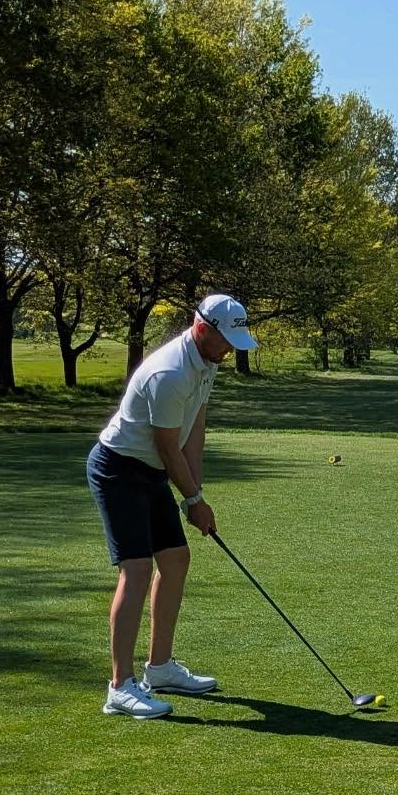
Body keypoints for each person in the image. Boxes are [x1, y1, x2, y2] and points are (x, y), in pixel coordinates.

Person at [85, 294, 258, 719]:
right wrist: (192, 500)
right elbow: (165, 445)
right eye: (225, 339)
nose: (230, 349)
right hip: (118, 470)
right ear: (202, 327)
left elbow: (194, 425)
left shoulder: (207, 362)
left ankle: (159, 669)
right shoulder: (170, 371)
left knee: (176, 559)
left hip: (150, 470)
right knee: (138, 568)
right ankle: (120, 687)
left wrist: (195, 491)